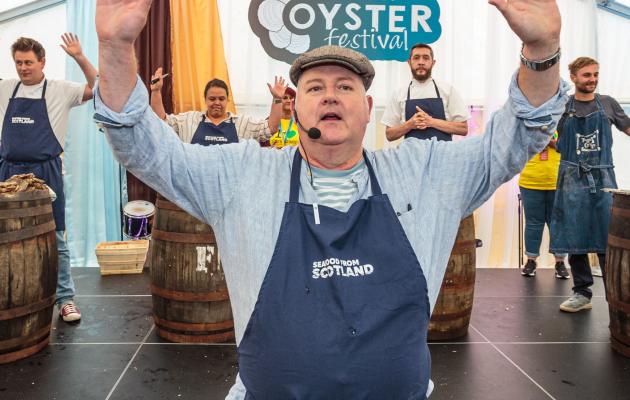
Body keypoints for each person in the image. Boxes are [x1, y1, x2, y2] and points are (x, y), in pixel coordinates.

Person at [94, 0, 566, 397]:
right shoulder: (241, 174)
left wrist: (542, 50)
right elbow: (146, 150)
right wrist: (116, 49)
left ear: (368, 110)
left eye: (346, 87)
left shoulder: (425, 173)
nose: (331, 96)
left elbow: (517, 136)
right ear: (294, 108)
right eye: (315, 88)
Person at [0, 33, 97, 323]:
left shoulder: (60, 90)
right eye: (18, 62)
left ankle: (65, 299)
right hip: (7, 173)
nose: (23, 68)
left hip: (45, 174)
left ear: (42, 61)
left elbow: (98, 87)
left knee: (55, 237)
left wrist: (79, 56)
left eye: (28, 62)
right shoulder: (5, 88)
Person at [551, 56, 630, 313]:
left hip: (603, 178)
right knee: (575, 235)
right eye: (586, 75)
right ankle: (582, 292)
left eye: (595, 74)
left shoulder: (607, 103)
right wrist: (555, 145)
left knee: (609, 235)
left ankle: (615, 293)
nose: (592, 79)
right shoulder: (562, 105)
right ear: (573, 77)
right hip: (572, 178)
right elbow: (544, 134)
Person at [149, 67, 283, 145]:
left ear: (228, 100)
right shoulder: (189, 120)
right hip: (196, 188)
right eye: (212, 99)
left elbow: (271, 128)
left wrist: (277, 99)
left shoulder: (243, 123)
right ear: (205, 100)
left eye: (221, 99)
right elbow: (161, 122)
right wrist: (155, 91)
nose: (217, 103)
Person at [381, 43, 469, 142]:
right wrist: (410, 124)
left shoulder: (448, 90)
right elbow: (389, 134)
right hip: (411, 156)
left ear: (433, 63)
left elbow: (463, 128)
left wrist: (431, 122)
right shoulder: (399, 94)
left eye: (426, 58)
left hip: (442, 155)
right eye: (416, 58)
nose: (421, 62)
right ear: (409, 62)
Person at [518, 132, 570, 279]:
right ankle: (531, 261)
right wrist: (540, 140)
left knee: (558, 224)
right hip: (530, 181)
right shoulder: (529, 123)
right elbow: (519, 145)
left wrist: (549, 141)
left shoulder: (564, 122)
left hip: (558, 182)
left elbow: (569, 147)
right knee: (533, 223)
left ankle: (560, 262)